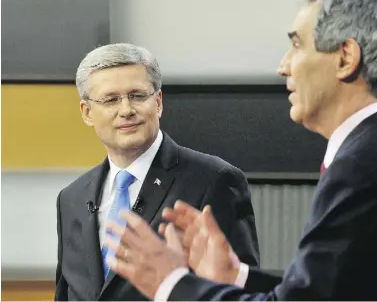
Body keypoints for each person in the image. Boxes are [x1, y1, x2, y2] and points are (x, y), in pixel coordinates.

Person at [103, 0, 377, 300]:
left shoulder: (368, 168)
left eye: (296, 45)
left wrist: (170, 284)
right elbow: (325, 293)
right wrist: (234, 277)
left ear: (345, 57)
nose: (283, 65)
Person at [54, 43, 260, 301]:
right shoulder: (70, 199)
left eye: (138, 96)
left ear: (158, 102)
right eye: (111, 100)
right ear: (87, 113)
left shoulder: (214, 180)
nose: (126, 110)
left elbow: (240, 293)